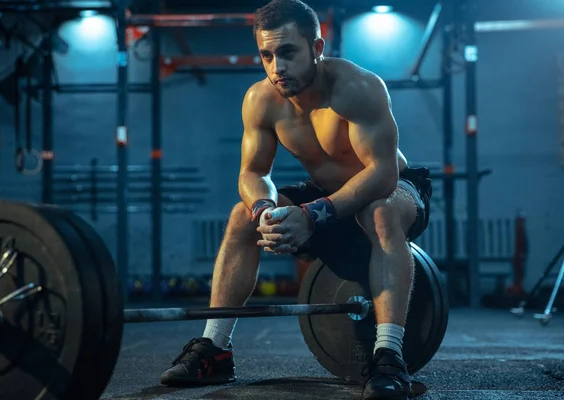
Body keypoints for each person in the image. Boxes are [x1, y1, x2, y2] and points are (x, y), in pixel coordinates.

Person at [159, 0, 432, 398]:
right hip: (323, 197)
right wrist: (265, 209)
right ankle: (214, 348)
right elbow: (253, 174)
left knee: (380, 212)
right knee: (241, 217)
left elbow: (383, 173)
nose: (276, 67)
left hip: (389, 189)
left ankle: (389, 356)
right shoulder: (261, 100)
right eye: (266, 55)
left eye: (287, 53)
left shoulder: (357, 89)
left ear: (317, 49)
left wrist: (313, 214)